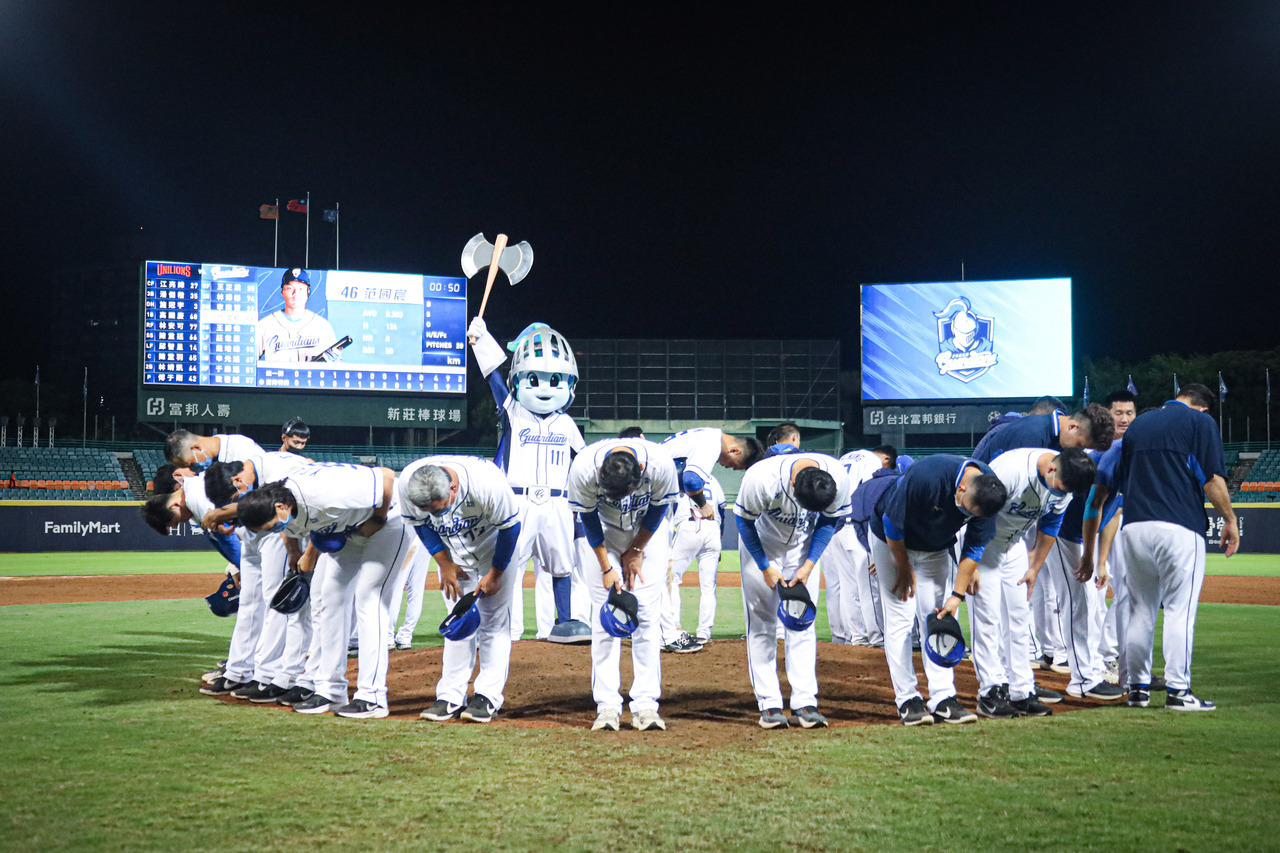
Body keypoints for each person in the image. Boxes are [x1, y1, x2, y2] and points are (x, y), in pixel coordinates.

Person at [234, 461, 411, 719]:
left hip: (389, 519)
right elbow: (291, 527)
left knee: (368, 599)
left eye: (271, 524)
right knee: (329, 597)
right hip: (349, 527)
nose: (273, 529)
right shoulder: (279, 502)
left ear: (281, 507)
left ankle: (373, 697)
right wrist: (295, 551)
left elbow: (385, 477)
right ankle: (331, 691)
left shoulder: (323, 494)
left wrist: (378, 517)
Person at [1113, 383, 1238, 710]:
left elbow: (1122, 479)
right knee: (1179, 611)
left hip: (1135, 526)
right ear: (1204, 408)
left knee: (1140, 609)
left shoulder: (1140, 424)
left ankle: (1137, 690)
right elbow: (1212, 479)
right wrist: (1230, 520)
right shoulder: (1199, 423)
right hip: (1179, 525)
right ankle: (1178, 692)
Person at [468, 318, 589, 643]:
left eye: (555, 380)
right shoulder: (514, 412)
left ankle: (564, 623)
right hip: (518, 500)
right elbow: (494, 379)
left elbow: (586, 459)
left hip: (558, 502)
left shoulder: (566, 423)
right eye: (535, 380)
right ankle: (504, 627)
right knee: (508, 567)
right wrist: (480, 341)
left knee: (562, 565)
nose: (546, 387)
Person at [871, 454, 1006, 726]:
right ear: (962, 489)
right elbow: (891, 524)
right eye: (968, 509)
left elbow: (975, 547)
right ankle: (907, 700)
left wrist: (956, 596)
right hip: (892, 543)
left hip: (935, 548)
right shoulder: (927, 477)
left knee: (939, 620)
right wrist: (904, 567)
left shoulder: (988, 492)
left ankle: (943, 697)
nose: (968, 515)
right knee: (900, 619)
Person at [968, 447, 1096, 719]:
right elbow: (975, 512)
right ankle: (990, 692)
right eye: (1061, 487)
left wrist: (1035, 567)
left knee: (1018, 617)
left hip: (1013, 545)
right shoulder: (1012, 470)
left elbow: (1051, 525)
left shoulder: (1065, 480)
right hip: (983, 542)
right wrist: (972, 561)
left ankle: (1021, 691)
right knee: (988, 617)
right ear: (1052, 468)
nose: (1062, 493)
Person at [567, 436, 679, 732]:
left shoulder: (660, 464)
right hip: (601, 534)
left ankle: (645, 704)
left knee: (645, 617)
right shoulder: (583, 468)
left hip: (646, 533)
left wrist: (637, 551)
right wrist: (607, 566)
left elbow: (658, 509)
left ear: (640, 471)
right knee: (605, 619)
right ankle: (607, 706)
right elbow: (588, 517)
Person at [400, 457, 522, 724]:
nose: (436, 516)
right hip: (454, 554)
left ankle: (488, 696)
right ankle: (450, 696)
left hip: (496, 548)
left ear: (453, 488)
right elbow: (421, 525)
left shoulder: (486, 483)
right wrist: (443, 563)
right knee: (458, 624)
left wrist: (496, 573)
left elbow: (511, 529)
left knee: (494, 623)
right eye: (431, 511)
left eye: (440, 509)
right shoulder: (408, 483)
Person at [734, 450, 852, 729]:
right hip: (762, 545)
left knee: (802, 622)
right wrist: (765, 567)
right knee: (762, 622)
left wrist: (809, 565)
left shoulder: (837, 476)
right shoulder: (761, 477)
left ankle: (804, 702)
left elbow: (828, 521)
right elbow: (744, 522)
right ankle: (769, 703)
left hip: (803, 547)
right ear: (792, 485)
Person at [201, 452, 317, 704]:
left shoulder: (274, 472)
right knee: (250, 601)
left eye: (232, 500)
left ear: (237, 481)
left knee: (277, 601)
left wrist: (293, 549)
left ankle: (268, 674)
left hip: (282, 531)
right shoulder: (251, 468)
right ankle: (239, 670)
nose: (234, 503)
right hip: (258, 532)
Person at [657, 427, 764, 651]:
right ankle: (668, 634)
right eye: (734, 464)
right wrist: (704, 505)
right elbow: (692, 480)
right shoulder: (711, 442)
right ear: (734, 449)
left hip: (662, 503)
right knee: (666, 575)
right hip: (672, 509)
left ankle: (664, 632)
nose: (727, 467)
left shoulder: (703, 436)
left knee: (665, 574)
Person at [256, 268, 341, 362]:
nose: (295, 293)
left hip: (311, 376)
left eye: (301, 289)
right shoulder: (265, 325)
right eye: (289, 288)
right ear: (282, 292)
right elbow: (249, 361)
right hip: (277, 376)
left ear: (308, 292)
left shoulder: (322, 326)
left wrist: (334, 362)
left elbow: (335, 366)